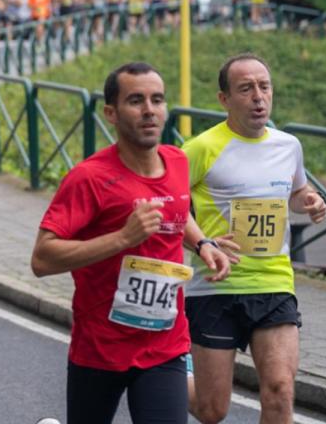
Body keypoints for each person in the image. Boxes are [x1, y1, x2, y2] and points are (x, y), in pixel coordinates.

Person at [30, 62, 231, 424]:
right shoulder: (89, 178)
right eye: (136, 101)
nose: (149, 110)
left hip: (164, 344)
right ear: (111, 112)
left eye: (157, 100)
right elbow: (42, 259)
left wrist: (203, 244)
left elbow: (178, 210)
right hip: (100, 348)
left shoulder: (177, 162)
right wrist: (123, 238)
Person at [184, 54, 326, 424]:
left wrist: (308, 201)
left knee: (280, 390)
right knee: (211, 410)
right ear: (224, 99)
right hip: (216, 287)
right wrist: (203, 242)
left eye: (264, 87)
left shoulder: (288, 145)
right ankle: (164, 373)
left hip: (274, 282)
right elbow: (172, 206)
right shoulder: (201, 148)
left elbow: (295, 190)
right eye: (246, 89)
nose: (258, 97)